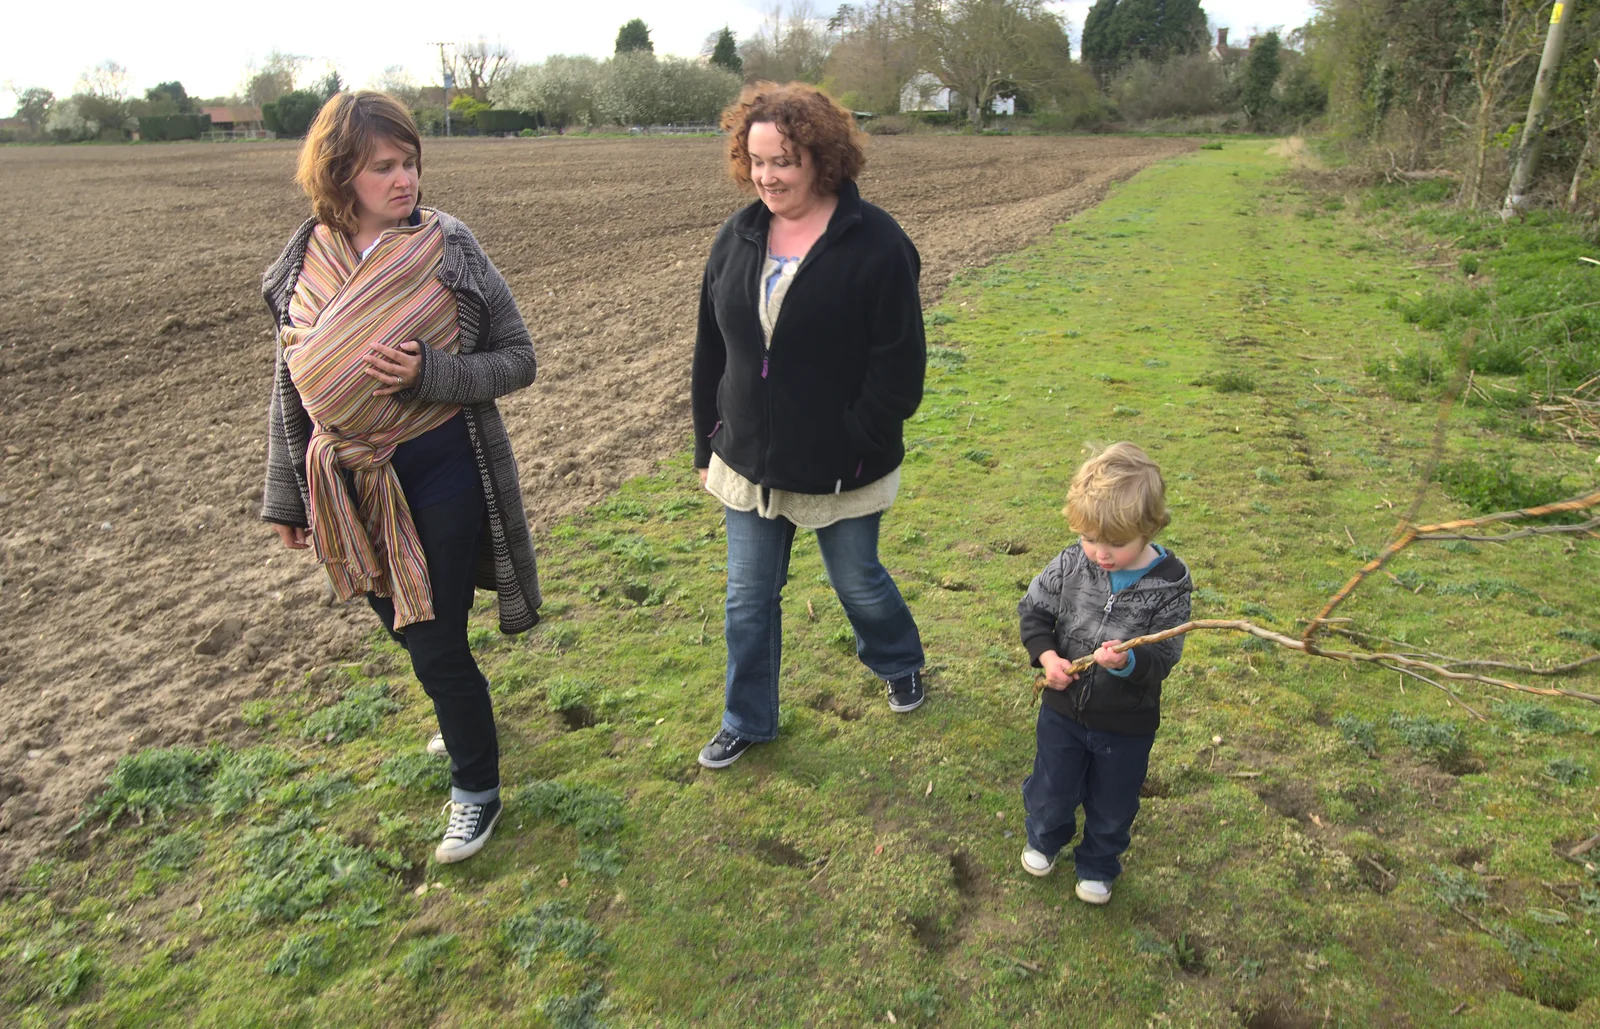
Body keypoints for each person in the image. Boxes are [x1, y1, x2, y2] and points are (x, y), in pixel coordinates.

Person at [259, 91, 541, 863]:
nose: (405, 179)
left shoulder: (450, 249)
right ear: (340, 173)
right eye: (384, 166)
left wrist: (431, 372)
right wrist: (287, 498)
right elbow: (293, 391)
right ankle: (462, 713)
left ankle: (476, 790)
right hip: (346, 484)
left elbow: (518, 358)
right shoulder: (300, 264)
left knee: (434, 639)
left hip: (440, 469)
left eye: (410, 163)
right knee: (404, 629)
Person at [690, 82, 928, 770]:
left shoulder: (878, 244)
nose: (768, 176)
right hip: (749, 461)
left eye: (784, 162)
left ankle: (899, 658)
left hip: (842, 464)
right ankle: (748, 719)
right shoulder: (736, 237)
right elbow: (712, 347)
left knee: (857, 582)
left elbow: (899, 369)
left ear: (822, 160)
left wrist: (855, 436)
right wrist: (706, 440)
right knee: (747, 601)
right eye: (757, 160)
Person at [1016, 443, 1193, 904]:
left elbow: (1167, 653)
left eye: (1115, 544)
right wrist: (1047, 658)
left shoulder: (1169, 582)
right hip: (1062, 709)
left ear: (1148, 528)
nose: (1100, 553)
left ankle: (1097, 864)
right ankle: (1044, 838)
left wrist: (1130, 662)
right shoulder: (1072, 563)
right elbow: (1034, 611)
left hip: (1127, 723)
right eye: (1090, 539)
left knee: (1114, 803)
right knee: (1052, 787)